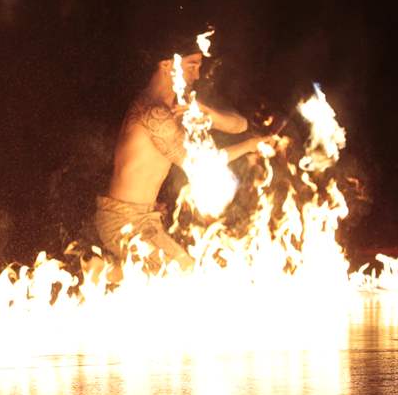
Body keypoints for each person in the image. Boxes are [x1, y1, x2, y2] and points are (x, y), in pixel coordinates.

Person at [95, 35, 273, 270]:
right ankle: (104, 273)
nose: (197, 75)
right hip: (124, 222)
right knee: (185, 274)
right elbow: (201, 167)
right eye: (191, 65)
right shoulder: (154, 114)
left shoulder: (172, 107)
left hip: (144, 217)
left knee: (175, 277)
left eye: (199, 66)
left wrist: (204, 110)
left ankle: (107, 272)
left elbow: (240, 125)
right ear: (166, 65)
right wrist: (249, 146)